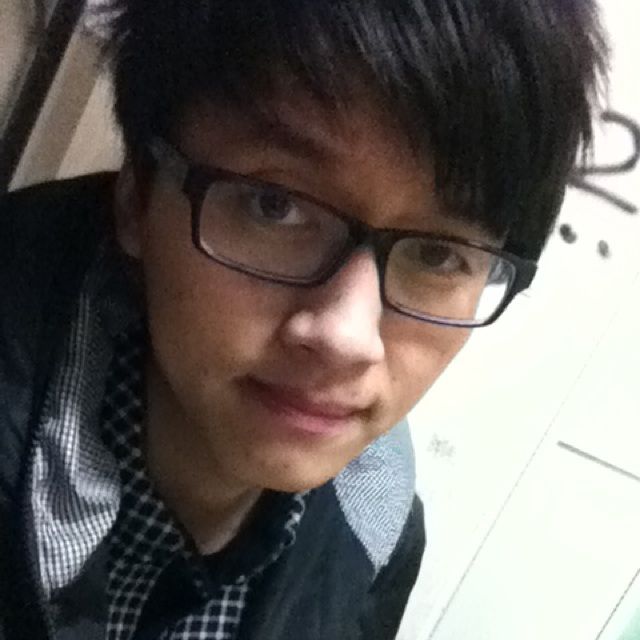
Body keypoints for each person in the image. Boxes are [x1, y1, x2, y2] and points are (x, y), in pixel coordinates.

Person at [0, 1, 607, 639]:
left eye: (437, 255)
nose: (347, 337)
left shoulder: (377, 540)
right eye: (276, 205)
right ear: (137, 194)